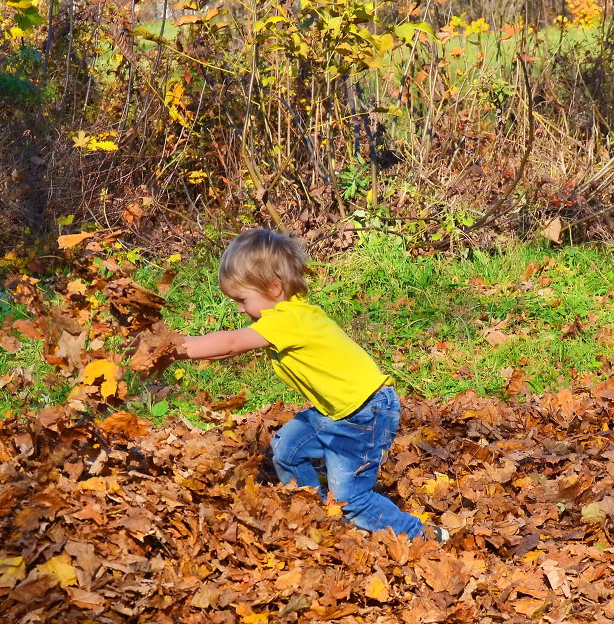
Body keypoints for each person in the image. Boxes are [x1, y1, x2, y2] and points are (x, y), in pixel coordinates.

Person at [175, 228, 448, 543]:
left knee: (352, 498)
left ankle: (421, 536)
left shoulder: (289, 319)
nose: (239, 309)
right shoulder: (289, 314)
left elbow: (232, 343)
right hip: (336, 410)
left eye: (242, 299)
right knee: (288, 450)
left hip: (365, 413)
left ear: (275, 287)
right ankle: (316, 513)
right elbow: (232, 343)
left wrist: (174, 348)